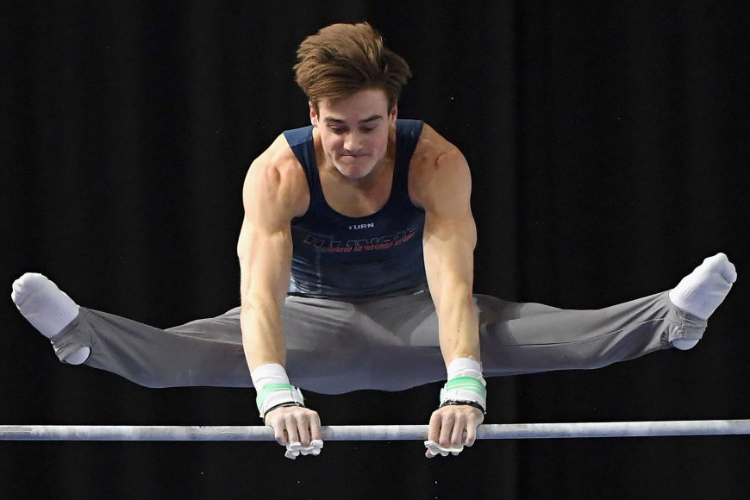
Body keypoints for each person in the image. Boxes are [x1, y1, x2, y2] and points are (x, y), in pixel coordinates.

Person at [11, 22, 737, 459]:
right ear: (312, 114)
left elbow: (451, 282)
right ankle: (83, 339)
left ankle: (670, 322)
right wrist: (274, 392)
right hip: (306, 325)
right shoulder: (277, 172)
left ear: (394, 115)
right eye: (335, 126)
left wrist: (465, 386)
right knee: (181, 354)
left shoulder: (435, 162)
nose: (352, 144)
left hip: (415, 316)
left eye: (369, 125)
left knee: (543, 335)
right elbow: (258, 296)